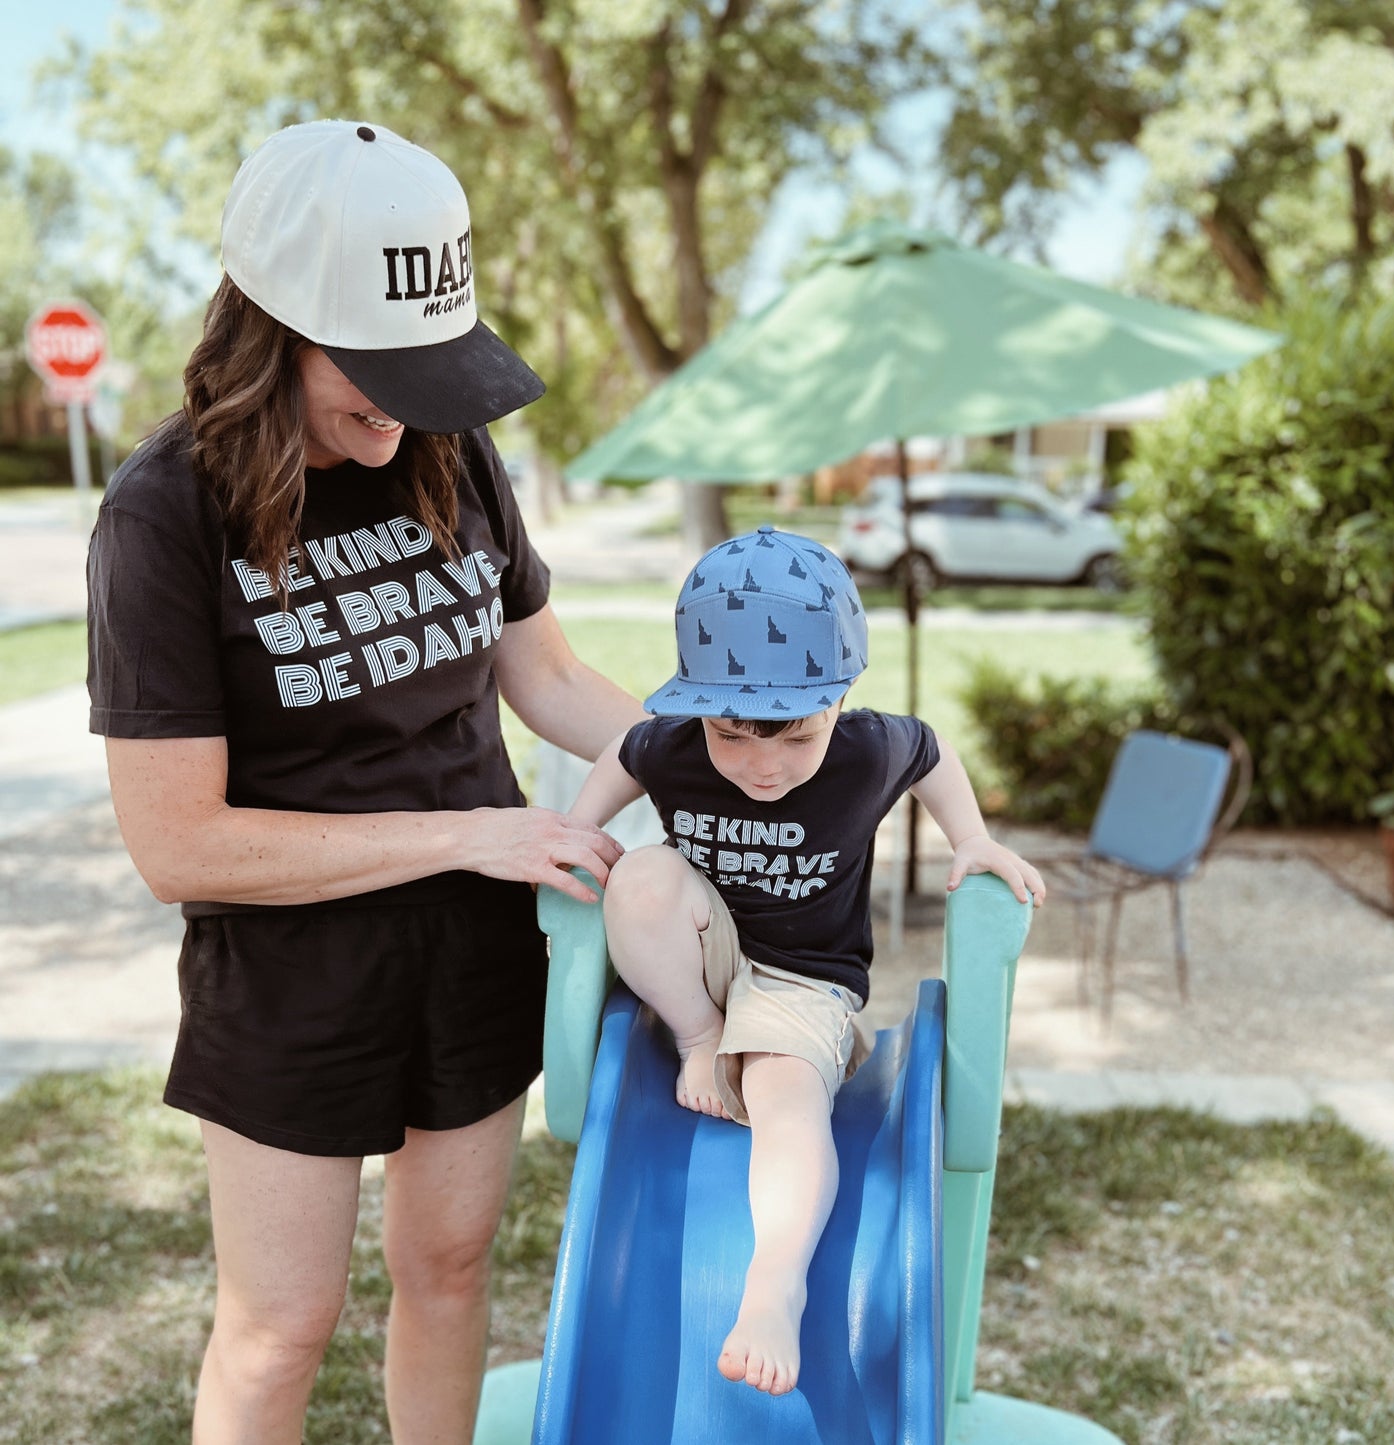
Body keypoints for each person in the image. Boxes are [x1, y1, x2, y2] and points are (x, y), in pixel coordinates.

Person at [86, 119, 643, 1445]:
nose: (405, 403)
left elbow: (549, 679)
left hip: (476, 939)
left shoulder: (450, 449)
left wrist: (728, 752)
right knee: (280, 1327)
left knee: (448, 1277)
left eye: (435, 368)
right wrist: (463, 833)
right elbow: (182, 848)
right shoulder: (164, 514)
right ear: (267, 323)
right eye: (376, 368)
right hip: (290, 974)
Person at [568, 525, 1046, 1398]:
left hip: (805, 978)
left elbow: (933, 752)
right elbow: (620, 755)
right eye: (733, 735)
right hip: (702, 961)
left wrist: (973, 840)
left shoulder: (867, 748)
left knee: (786, 1096)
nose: (760, 765)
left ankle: (773, 1284)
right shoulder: (673, 740)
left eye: (793, 737)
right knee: (637, 877)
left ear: (838, 701)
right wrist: (580, 831)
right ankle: (699, 1038)